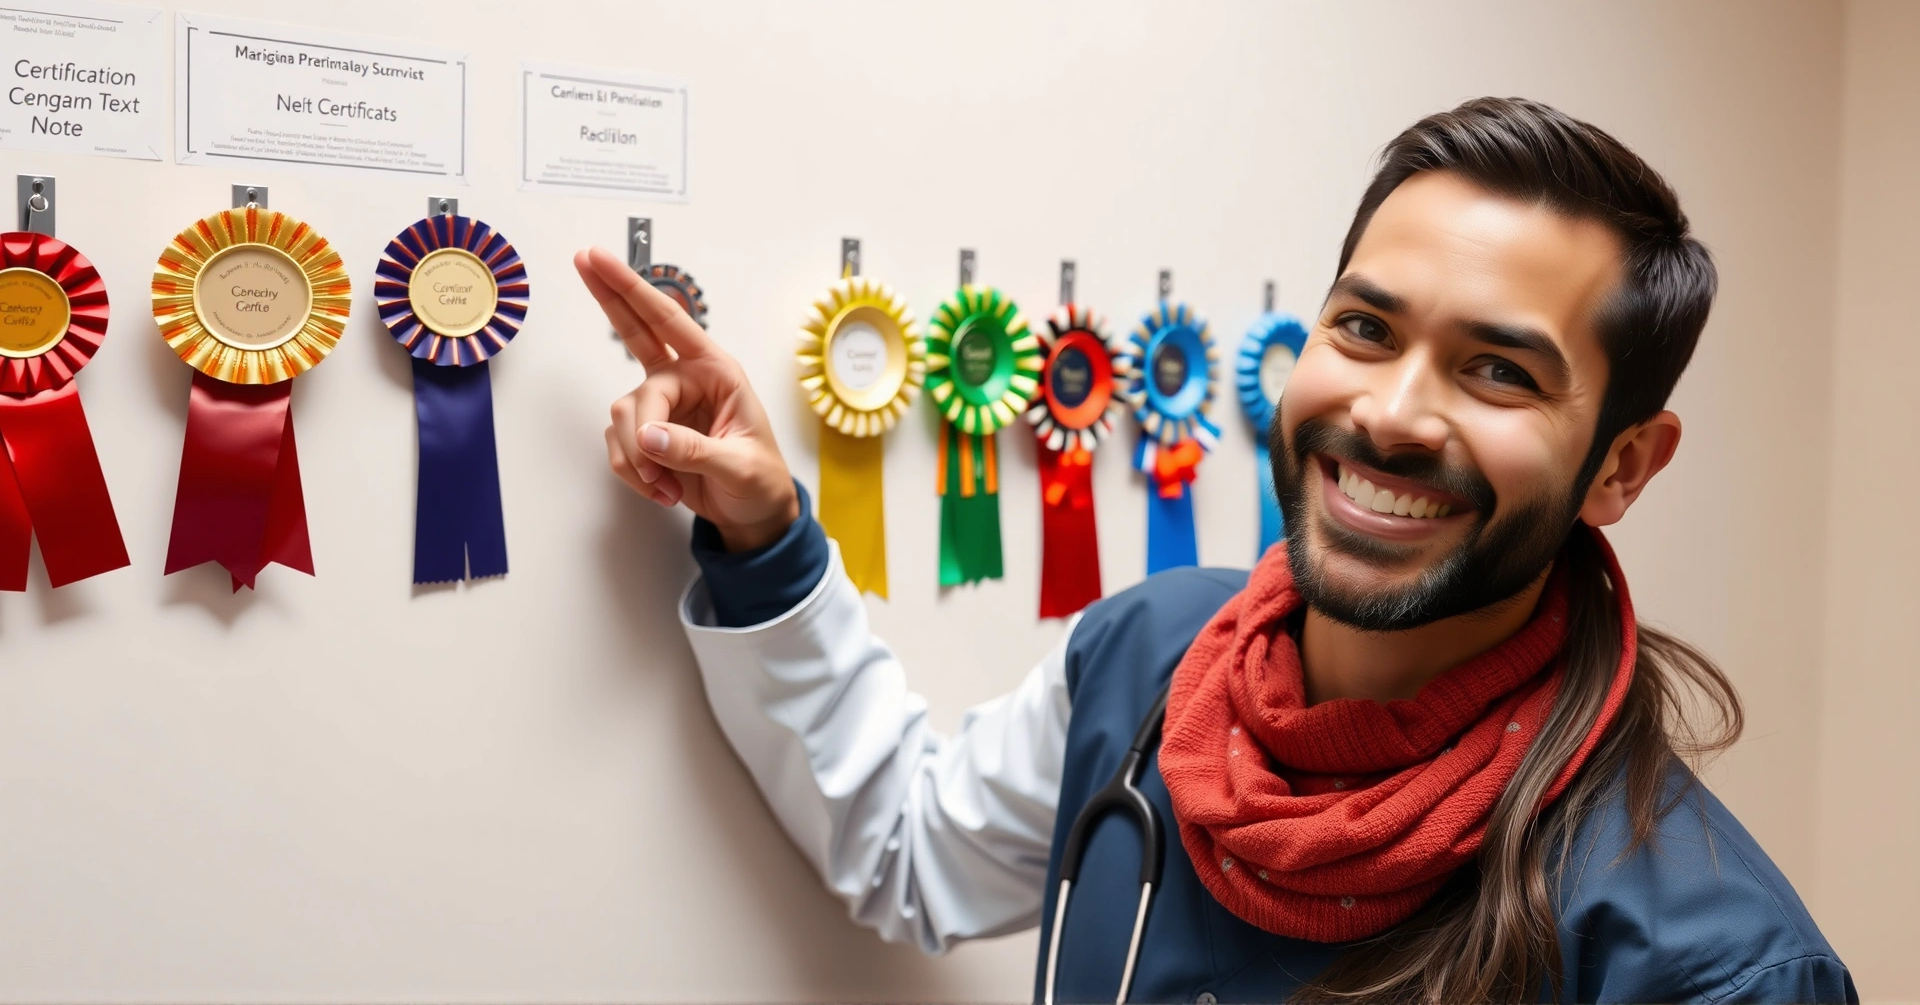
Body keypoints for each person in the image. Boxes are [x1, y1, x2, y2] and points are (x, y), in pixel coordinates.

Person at [574, 98, 1854, 1004]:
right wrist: (762, 532)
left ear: (1622, 466)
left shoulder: (1708, 962)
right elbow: (914, 852)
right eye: (1364, 327)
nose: (1392, 412)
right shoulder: (1145, 659)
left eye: (1499, 370)